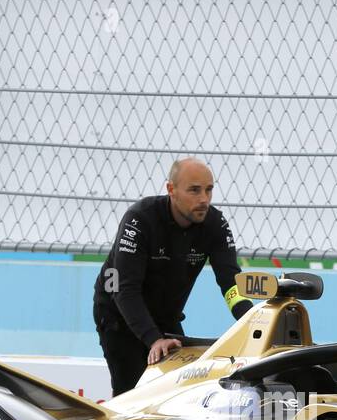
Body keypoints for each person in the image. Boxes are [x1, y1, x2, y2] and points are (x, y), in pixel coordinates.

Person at [92, 158, 249, 395]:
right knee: (132, 394)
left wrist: (253, 323)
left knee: (175, 393)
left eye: (209, 189)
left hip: (165, 319)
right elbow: (124, 289)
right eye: (194, 190)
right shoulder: (139, 219)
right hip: (118, 314)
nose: (204, 199)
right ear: (171, 190)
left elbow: (230, 283)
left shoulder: (215, 224)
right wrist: (154, 339)